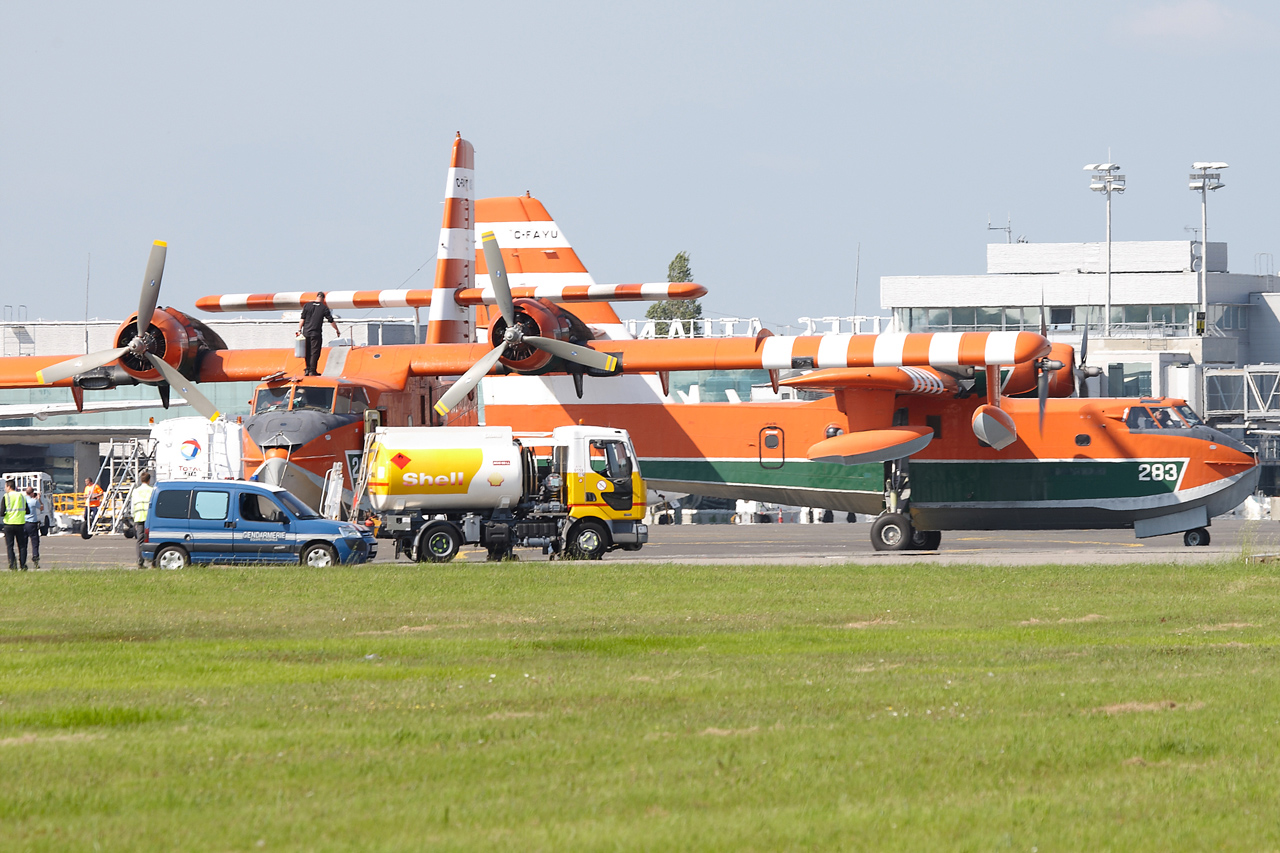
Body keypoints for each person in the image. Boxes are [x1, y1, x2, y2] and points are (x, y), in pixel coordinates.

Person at [297, 291, 340, 377]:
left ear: (316, 297)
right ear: (323, 299)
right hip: (315, 333)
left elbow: (302, 319)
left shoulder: (307, 305)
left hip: (306, 332)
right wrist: (337, 330)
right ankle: (312, 371)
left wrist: (299, 330)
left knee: (307, 351)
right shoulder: (324, 308)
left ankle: (307, 369)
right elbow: (331, 320)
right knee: (315, 352)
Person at [4, 479, 28, 570]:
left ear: (9, 487)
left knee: (10, 546)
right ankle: (23, 565)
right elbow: (27, 510)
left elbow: (2, 512)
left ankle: (13, 566)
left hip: (9, 524)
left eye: (6, 486)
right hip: (20, 524)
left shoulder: (6, 497)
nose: (5, 488)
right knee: (22, 546)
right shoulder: (21, 496)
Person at [131, 471, 155, 568]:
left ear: (141, 480)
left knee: (140, 541)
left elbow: (132, 507)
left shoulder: (136, 491)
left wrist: (134, 518)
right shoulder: (152, 490)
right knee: (152, 540)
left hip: (139, 517)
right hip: (150, 519)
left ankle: (140, 561)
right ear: (149, 480)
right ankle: (153, 562)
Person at [23, 487, 41, 569]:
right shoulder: (34, 501)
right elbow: (41, 507)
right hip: (32, 523)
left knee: (23, 543)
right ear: (32, 493)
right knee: (35, 542)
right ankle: (35, 558)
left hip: (23, 523)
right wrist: (39, 499)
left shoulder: (22, 500)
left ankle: (23, 560)